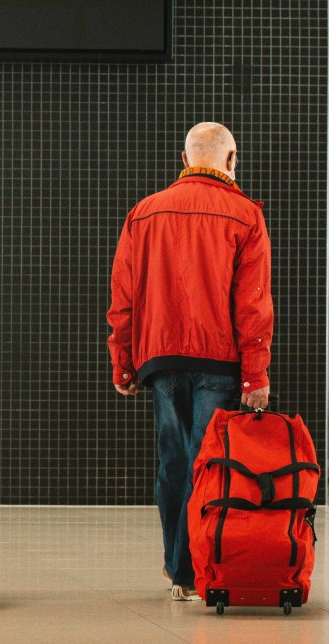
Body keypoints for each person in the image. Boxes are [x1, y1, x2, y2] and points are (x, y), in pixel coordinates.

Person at [106, 121, 273, 601]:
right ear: (231, 158)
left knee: (174, 460)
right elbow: (254, 303)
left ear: (185, 160)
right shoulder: (245, 216)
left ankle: (177, 569)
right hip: (220, 361)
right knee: (210, 461)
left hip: (160, 358)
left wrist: (123, 359)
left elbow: (123, 295)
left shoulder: (145, 213)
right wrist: (255, 372)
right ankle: (194, 569)